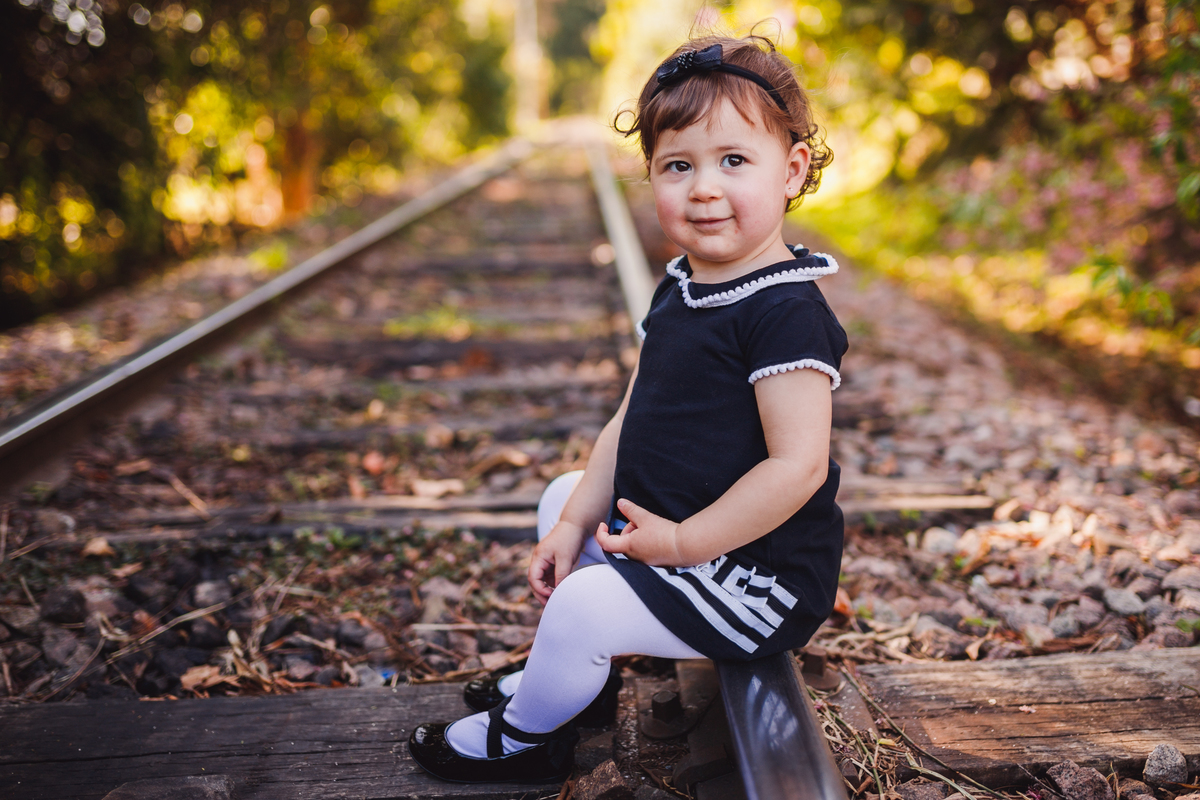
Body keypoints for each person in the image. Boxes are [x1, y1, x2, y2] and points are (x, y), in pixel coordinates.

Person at [408, 31, 846, 784]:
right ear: (652, 175)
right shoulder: (683, 284)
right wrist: (575, 522)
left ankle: (528, 739)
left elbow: (797, 467)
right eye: (679, 166)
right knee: (562, 498)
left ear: (792, 170)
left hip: (751, 577)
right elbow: (632, 415)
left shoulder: (787, 313)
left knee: (581, 606)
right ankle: (579, 682)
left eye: (733, 161)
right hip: (680, 537)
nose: (703, 188)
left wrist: (683, 542)